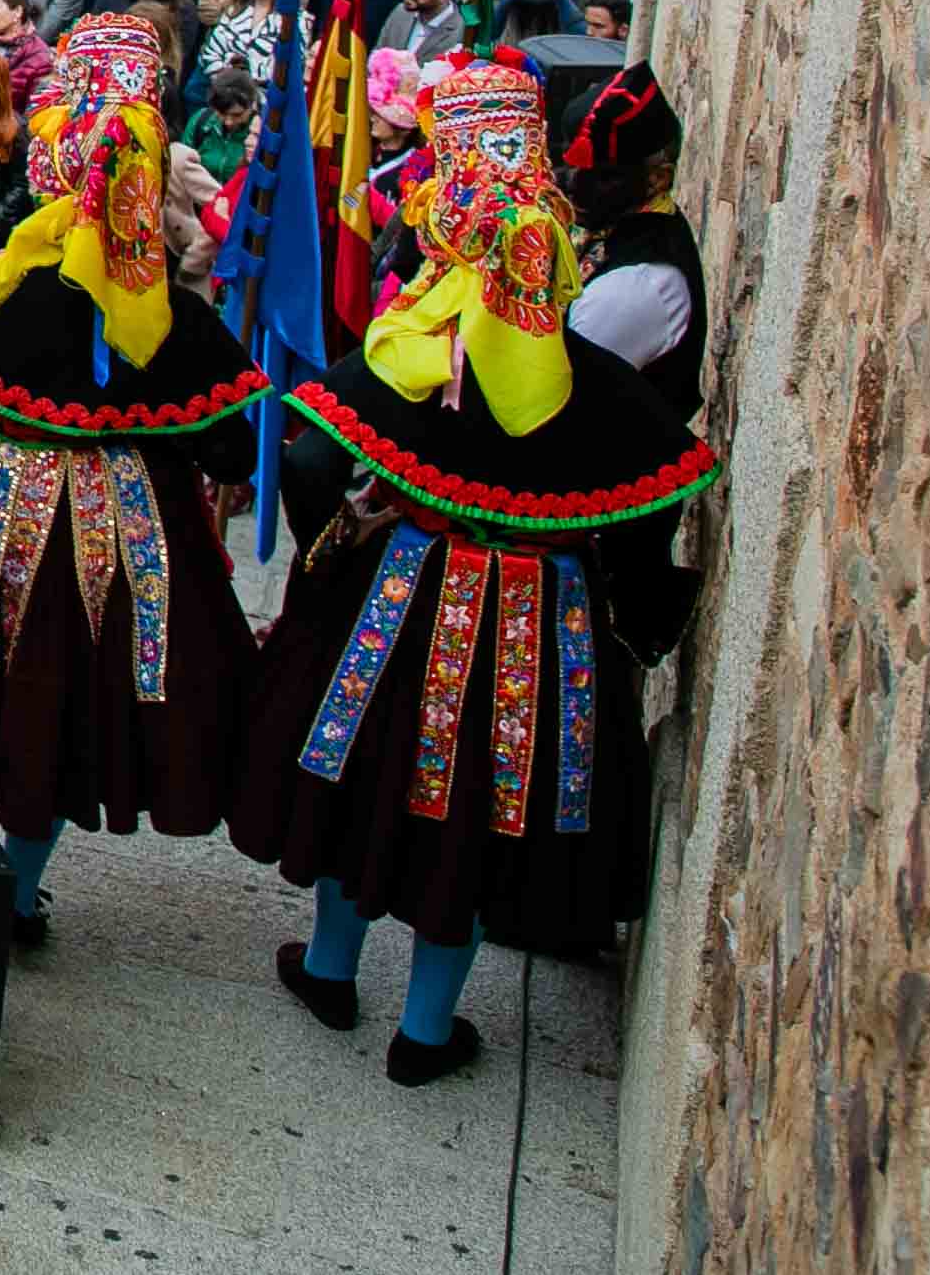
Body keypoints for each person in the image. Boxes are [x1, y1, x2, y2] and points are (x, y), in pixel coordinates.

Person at [235, 58, 720, 1083]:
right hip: (540, 615)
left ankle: (330, 967)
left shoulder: (411, 348)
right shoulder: (604, 392)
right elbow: (662, 487)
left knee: (365, 768)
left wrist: (338, 542)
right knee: (483, 809)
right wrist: (639, 600)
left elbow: (316, 450)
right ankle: (424, 1029)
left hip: (401, 588)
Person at [0, 12, 261, 941]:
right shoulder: (176, 326)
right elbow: (231, 452)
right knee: (64, 716)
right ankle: (17, 896)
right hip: (124, 539)